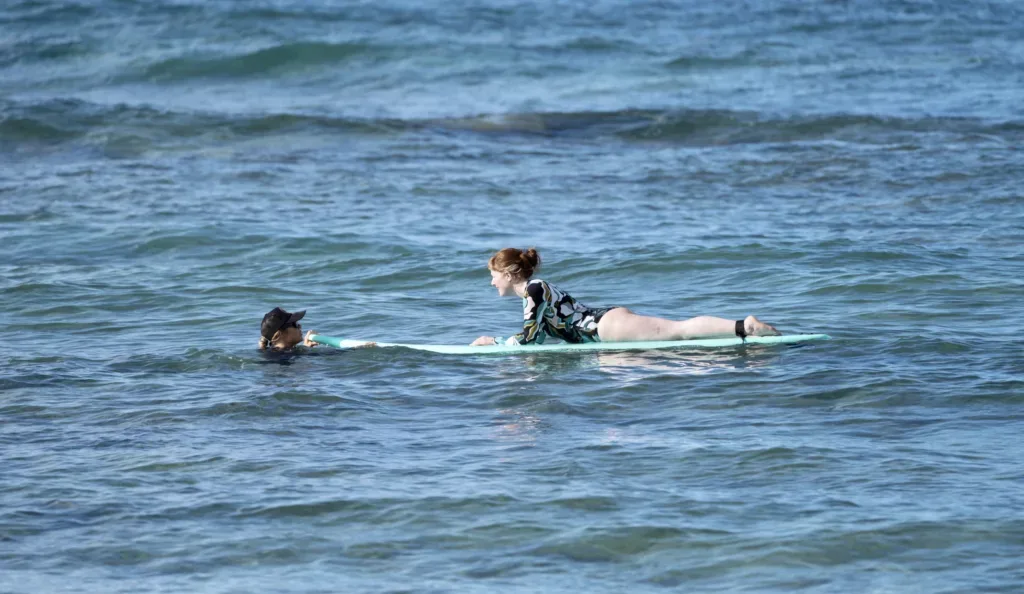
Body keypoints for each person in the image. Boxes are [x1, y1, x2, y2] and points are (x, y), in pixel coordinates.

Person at [471, 248, 780, 347]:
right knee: (671, 350)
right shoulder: (534, 290)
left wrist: (494, 343)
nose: (491, 282)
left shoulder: (535, 290)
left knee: (679, 331)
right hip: (605, 327)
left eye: (493, 275)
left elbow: (531, 339)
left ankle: (745, 326)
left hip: (606, 327)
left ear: (510, 274)